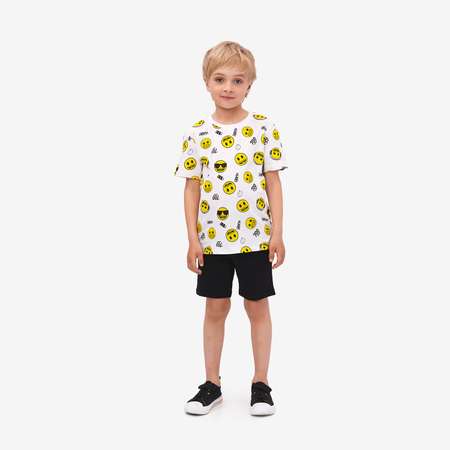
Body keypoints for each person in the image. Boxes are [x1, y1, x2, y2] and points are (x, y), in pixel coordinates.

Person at [173, 41, 288, 416]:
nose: (228, 87)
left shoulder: (263, 128)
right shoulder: (197, 133)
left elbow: (273, 182)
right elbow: (191, 188)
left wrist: (277, 233)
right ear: (207, 82)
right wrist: (192, 239)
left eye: (237, 80)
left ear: (249, 85)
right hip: (212, 242)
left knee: (257, 306)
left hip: (255, 239)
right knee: (215, 308)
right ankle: (211, 384)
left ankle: (261, 383)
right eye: (220, 79)